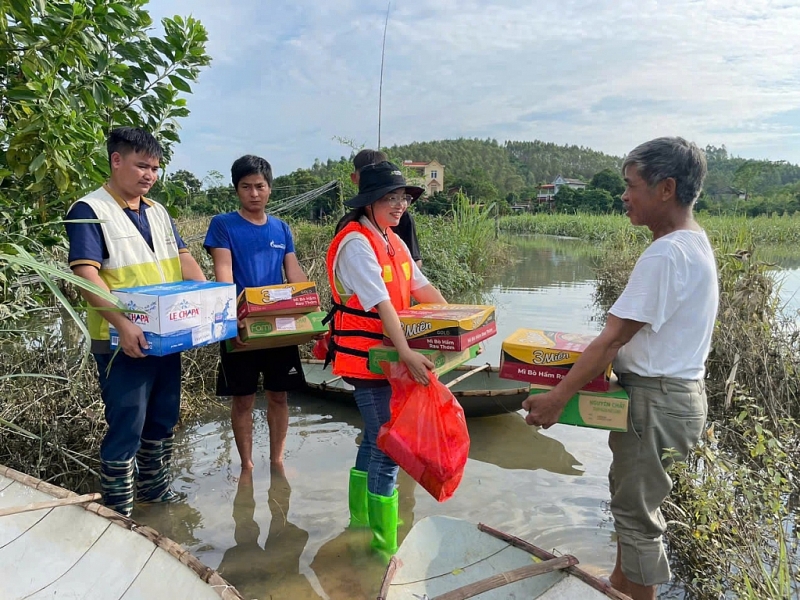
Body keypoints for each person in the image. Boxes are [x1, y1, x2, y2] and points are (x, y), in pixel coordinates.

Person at [523, 137, 718, 600]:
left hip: (656, 402)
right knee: (631, 506)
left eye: (631, 186)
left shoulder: (666, 254)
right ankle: (618, 587)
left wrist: (557, 398)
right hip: (673, 398)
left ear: (666, 188)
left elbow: (612, 338)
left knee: (636, 520)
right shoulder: (694, 242)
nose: (624, 196)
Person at [65, 126, 206, 517]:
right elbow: (85, 275)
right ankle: (119, 513)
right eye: (142, 166)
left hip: (166, 336)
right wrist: (124, 324)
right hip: (120, 341)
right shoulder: (89, 210)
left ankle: (156, 499)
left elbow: (183, 258)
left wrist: (209, 300)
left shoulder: (157, 211)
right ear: (116, 160)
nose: (150, 175)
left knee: (163, 418)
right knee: (128, 423)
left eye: (155, 168)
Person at [325, 160, 447, 559]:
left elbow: (423, 289)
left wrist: (459, 324)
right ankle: (383, 547)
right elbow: (382, 304)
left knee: (374, 437)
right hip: (367, 360)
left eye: (402, 198)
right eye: (389, 198)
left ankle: (360, 523)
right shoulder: (356, 243)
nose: (399, 205)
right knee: (388, 444)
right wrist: (408, 352)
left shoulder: (392, 239)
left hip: (388, 356)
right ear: (369, 201)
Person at [204, 155, 309, 471]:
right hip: (241, 324)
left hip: (278, 325)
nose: (254, 193)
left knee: (279, 396)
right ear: (236, 189)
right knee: (243, 399)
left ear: (270, 188)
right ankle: (247, 467)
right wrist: (230, 317)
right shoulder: (223, 225)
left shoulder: (281, 228)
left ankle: (277, 461)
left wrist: (309, 308)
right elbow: (223, 272)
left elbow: (293, 273)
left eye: (260, 186)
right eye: (246, 187)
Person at [351, 149, 422, 267]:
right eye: (392, 198)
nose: (400, 205)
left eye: (403, 198)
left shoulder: (397, 236)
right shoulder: (354, 239)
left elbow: (414, 262)